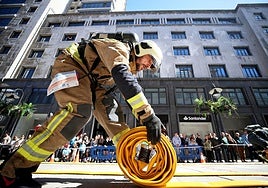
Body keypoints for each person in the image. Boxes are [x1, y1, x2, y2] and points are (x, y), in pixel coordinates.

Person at [0, 33, 164, 187]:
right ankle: (12, 170)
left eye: (153, 66)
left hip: (96, 83)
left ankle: (133, 166)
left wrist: (147, 120)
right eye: (151, 60)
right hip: (73, 66)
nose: (149, 66)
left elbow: (128, 95)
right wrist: (149, 116)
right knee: (78, 113)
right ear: (142, 49)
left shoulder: (126, 67)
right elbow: (124, 79)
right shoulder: (119, 47)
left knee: (115, 122)